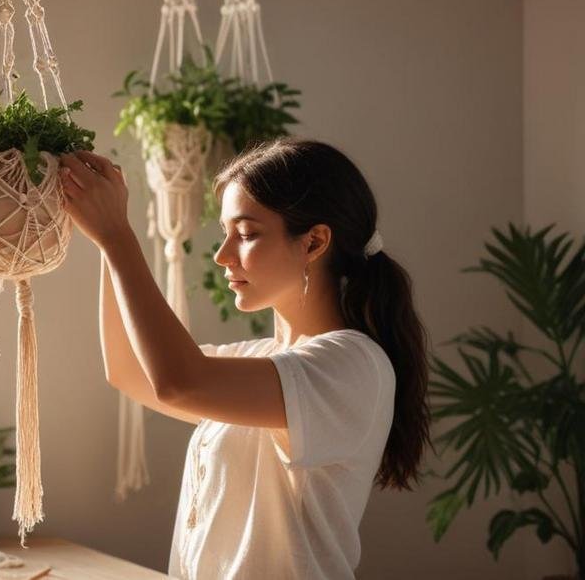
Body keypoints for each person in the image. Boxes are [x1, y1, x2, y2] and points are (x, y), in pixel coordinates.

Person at [57, 138, 430, 579]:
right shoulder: (263, 358)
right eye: (225, 234)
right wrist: (105, 240)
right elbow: (130, 373)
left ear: (314, 242)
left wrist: (118, 236)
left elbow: (178, 381)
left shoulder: (353, 364)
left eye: (247, 234)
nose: (222, 256)